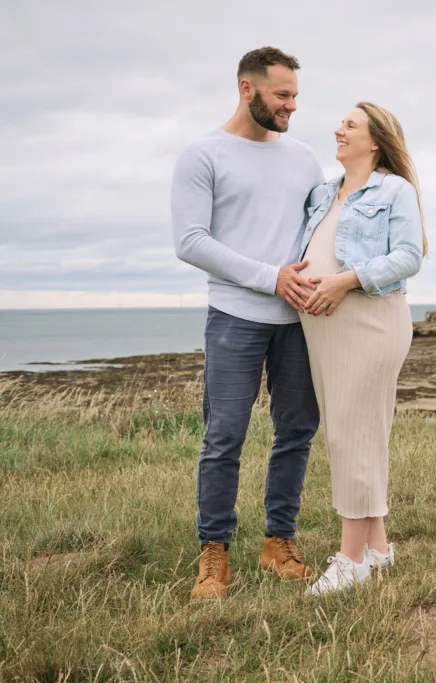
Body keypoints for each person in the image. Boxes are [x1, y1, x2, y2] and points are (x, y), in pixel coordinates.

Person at [171, 47, 324, 600]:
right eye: (282, 95)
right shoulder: (202, 154)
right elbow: (190, 241)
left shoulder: (304, 158)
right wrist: (270, 277)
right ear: (247, 88)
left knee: (297, 433)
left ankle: (278, 542)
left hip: (300, 320)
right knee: (224, 437)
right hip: (234, 317)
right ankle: (214, 553)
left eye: (294, 96)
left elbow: (324, 228)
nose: (291, 106)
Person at [297, 102, 425, 595]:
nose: (338, 129)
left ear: (375, 141)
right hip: (325, 328)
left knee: (350, 437)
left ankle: (350, 559)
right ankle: (378, 548)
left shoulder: (395, 189)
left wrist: (344, 282)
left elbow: (409, 256)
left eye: (349, 125)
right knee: (357, 433)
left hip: (369, 323)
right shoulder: (325, 193)